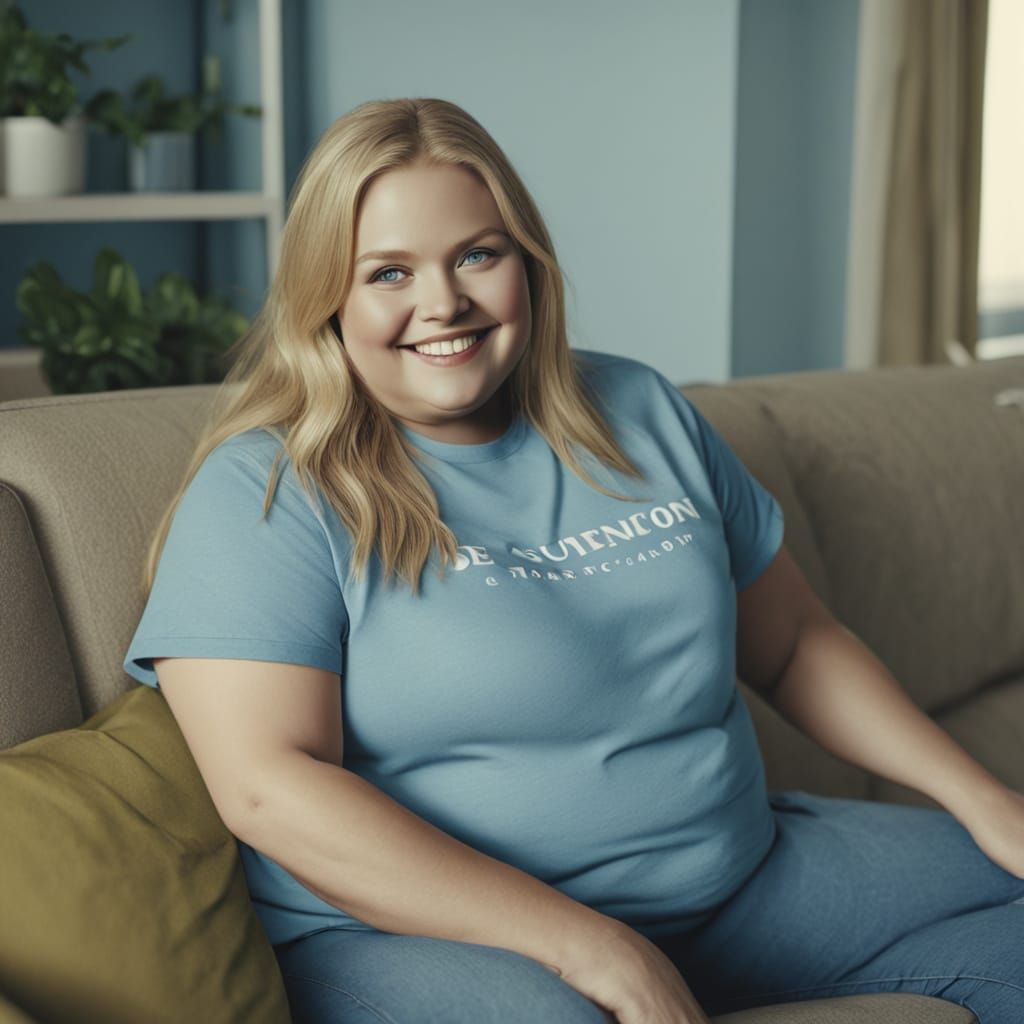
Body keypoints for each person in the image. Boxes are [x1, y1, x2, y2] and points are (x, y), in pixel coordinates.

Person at [123, 97, 1024, 1024]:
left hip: (738, 882)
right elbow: (270, 789)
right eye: (389, 272)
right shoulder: (268, 490)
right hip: (431, 940)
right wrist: (591, 946)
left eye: (477, 255)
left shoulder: (641, 409)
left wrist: (984, 799)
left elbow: (795, 643)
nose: (443, 303)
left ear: (528, 262)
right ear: (326, 297)